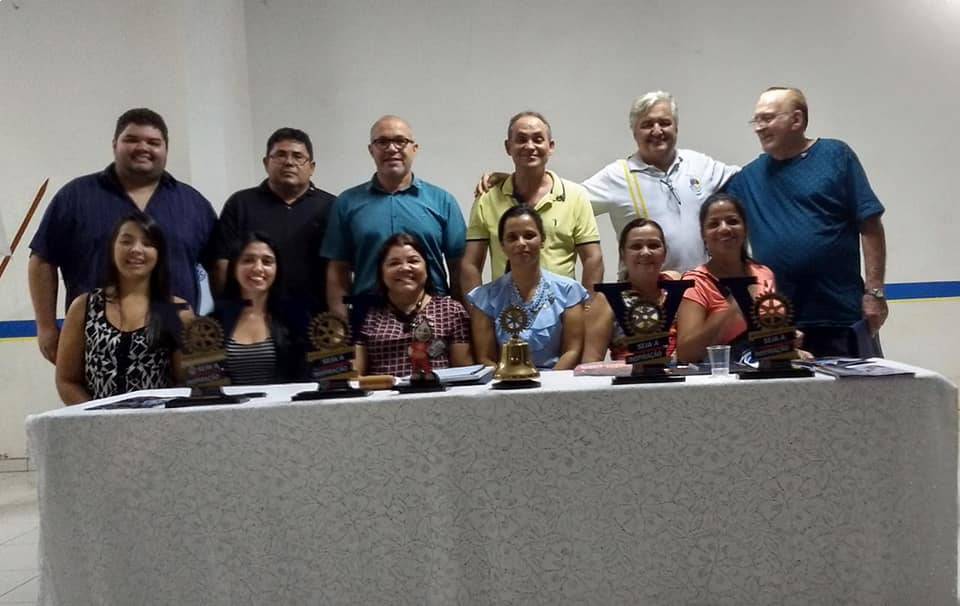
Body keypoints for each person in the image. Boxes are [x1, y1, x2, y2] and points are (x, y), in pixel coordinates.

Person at [29, 108, 217, 364]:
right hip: (97, 347)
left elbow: (220, 266)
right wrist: (46, 328)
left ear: (166, 149)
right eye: (132, 139)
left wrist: (219, 326)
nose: (143, 147)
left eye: (153, 142)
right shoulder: (75, 197)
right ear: (114, 144)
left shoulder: (193, 204)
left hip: (176, 346)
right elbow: (42, 260)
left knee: (195, 388)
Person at [477, 92, 738, 273]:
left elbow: (745, 178)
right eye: (647, 124)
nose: (657, 130)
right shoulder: (618, 175)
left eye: (665, 123)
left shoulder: (700, 164)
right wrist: (516, 178)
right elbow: (562, 199)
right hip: (642, 299)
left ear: (676, 128)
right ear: (634, 131)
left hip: (701, 292)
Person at [724, 86, 887, 357]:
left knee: (859, 386)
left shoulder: (836, 155)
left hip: (841, 316)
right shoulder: (747, 179)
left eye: (767, 118)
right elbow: (714, 223)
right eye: (756, 120)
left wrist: (875, 293)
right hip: (780, 322)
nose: (759, 127)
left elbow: (870, 225)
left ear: (797, 120)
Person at [321, 115, 467, 319]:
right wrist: (341, 324)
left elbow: (459, 267)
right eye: (382, 142)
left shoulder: (443, 201)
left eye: (400, 141)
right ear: (371, 150)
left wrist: (460, 320)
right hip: (368, 316)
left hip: (433, 315)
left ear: (414, 148)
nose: (391, 148)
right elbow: (338, 270)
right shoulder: (347, 203)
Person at [55, 213, 191, 404]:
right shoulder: (83, 307)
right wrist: (97, 416)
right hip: (94, 420)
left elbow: (186, 383)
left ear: (159, 253)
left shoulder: (177, 311)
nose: (136, 249)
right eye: (126, 241)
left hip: (157, 420)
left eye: (147, 243)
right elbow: (67, 381)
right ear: (112, 248)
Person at [462, 111, 603, 296]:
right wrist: (477, 308)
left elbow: (593, 258)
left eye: (538, 139)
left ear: (550, 146)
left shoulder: (576, 196)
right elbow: (471, 264)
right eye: (521, 139)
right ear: (508, 147)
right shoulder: (487, 199)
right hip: (505, 309)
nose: (529, 146)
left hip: (563, 308)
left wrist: (587, 307)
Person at [212, 128, 336, 316]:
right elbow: (222, 263)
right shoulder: (240, 204)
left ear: (312, 167)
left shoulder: (331, 207)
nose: (289, 162)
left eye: (298, 156)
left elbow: (341, 267)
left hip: (317, 319)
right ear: (266, 163)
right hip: (253, 318)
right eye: (280, 155)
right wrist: (228, 311)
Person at [467, 206, 588, 370]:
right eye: (512, 238)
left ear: (542, 240)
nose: (521, 243)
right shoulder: (485, 297)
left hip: (557, 380)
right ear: (502, 245)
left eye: (529, 236)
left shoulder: (568, 291)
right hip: (504, 382)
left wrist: (549, 383)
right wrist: (509, 380)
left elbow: (572, 351)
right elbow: (485, 358)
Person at [675, 194, 776, 363]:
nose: (724, 229)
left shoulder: (764, 273)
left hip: (763, 371)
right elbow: (686, 354)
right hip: (720, 375)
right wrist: (733, 308)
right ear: (703, 235)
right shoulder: (694, 283)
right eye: (714, 224)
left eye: (732, 221)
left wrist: (786, 342)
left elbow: (770, 331)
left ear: (745, 228)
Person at [355, 233, 473, 377]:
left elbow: (464, 375)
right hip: (381, 390)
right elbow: (355, 376)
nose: (405, 268)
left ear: (426, 268)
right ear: (381, 272)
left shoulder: (451, 311)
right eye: (394, 263)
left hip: (437, 390)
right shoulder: (368, 315)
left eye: (413, 261)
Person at [582, 218, 680, 362]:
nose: (645, 252)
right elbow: (591, 360)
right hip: (629, 375)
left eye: (654, 245)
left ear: (665, 253)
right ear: (623, 255)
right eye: (636, 246)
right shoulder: (606, 300)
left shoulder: (675, 282)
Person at [212, 232, 303, 385]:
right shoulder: (213, 324)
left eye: (267, 262)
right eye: (248, 260)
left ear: (277, 269)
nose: (258, 268)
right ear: (234, 267)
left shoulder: (293, 322)